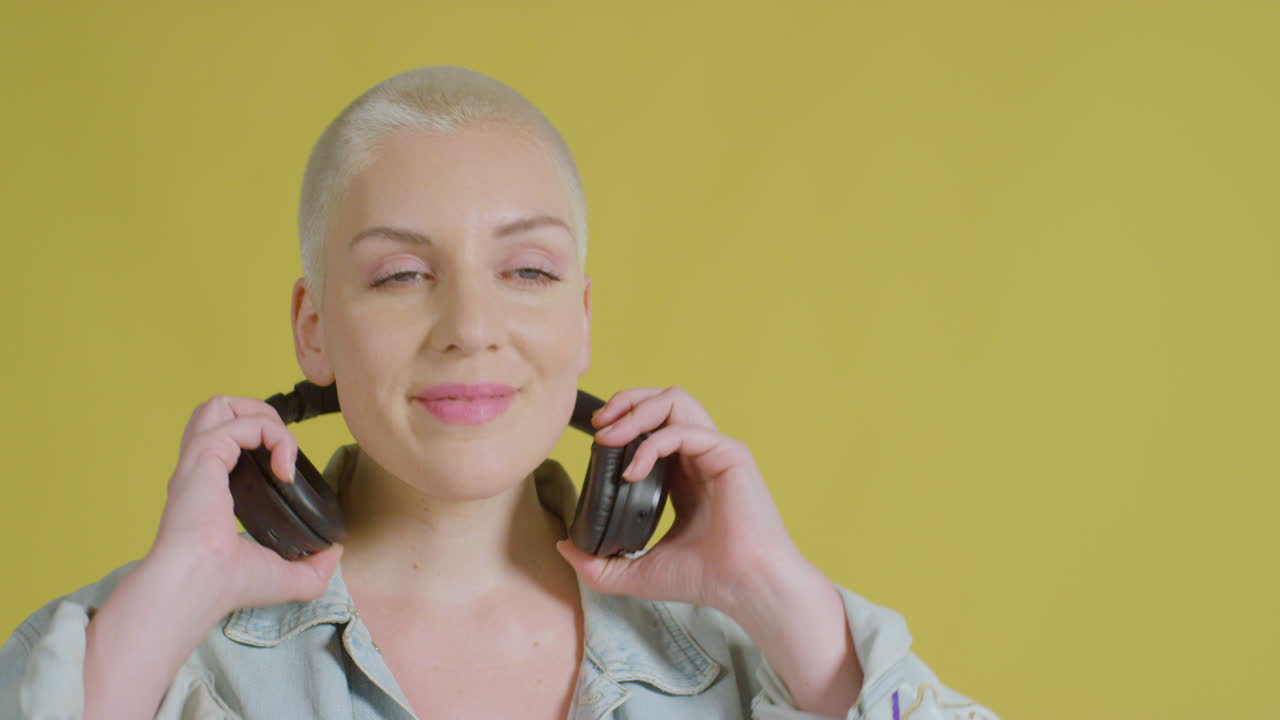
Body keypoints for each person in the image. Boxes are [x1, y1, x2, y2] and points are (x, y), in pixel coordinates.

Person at [0, 65, 1000, 720]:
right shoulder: (158, 662)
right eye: (399, 275)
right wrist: (161, 609)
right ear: (314, 329)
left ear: (581, 320)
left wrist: (781, 600)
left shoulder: (756, 658)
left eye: (526, 272)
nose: (470, 326)